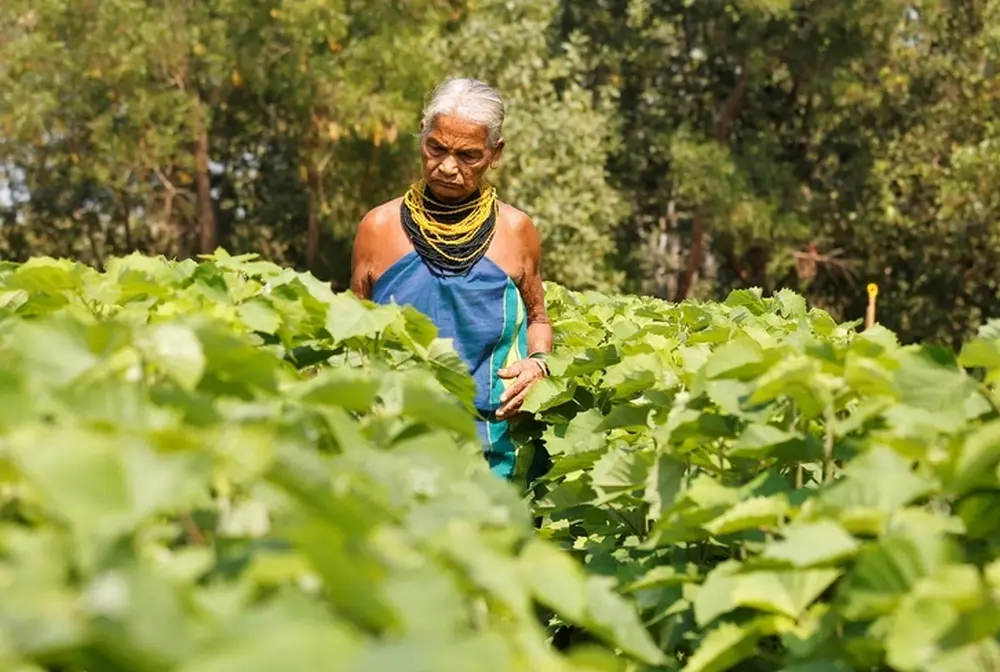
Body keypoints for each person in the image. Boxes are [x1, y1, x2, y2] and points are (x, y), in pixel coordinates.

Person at [350, 77, 553, 482]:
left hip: (493, 449)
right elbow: (353, 333)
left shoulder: (516, 231)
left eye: (468, 156)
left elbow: (538, 319)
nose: (447, 167)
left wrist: (539, 365)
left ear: (495, 154)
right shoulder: (378, 227)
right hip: (394, 447)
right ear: (422, 135)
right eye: (435, 148)